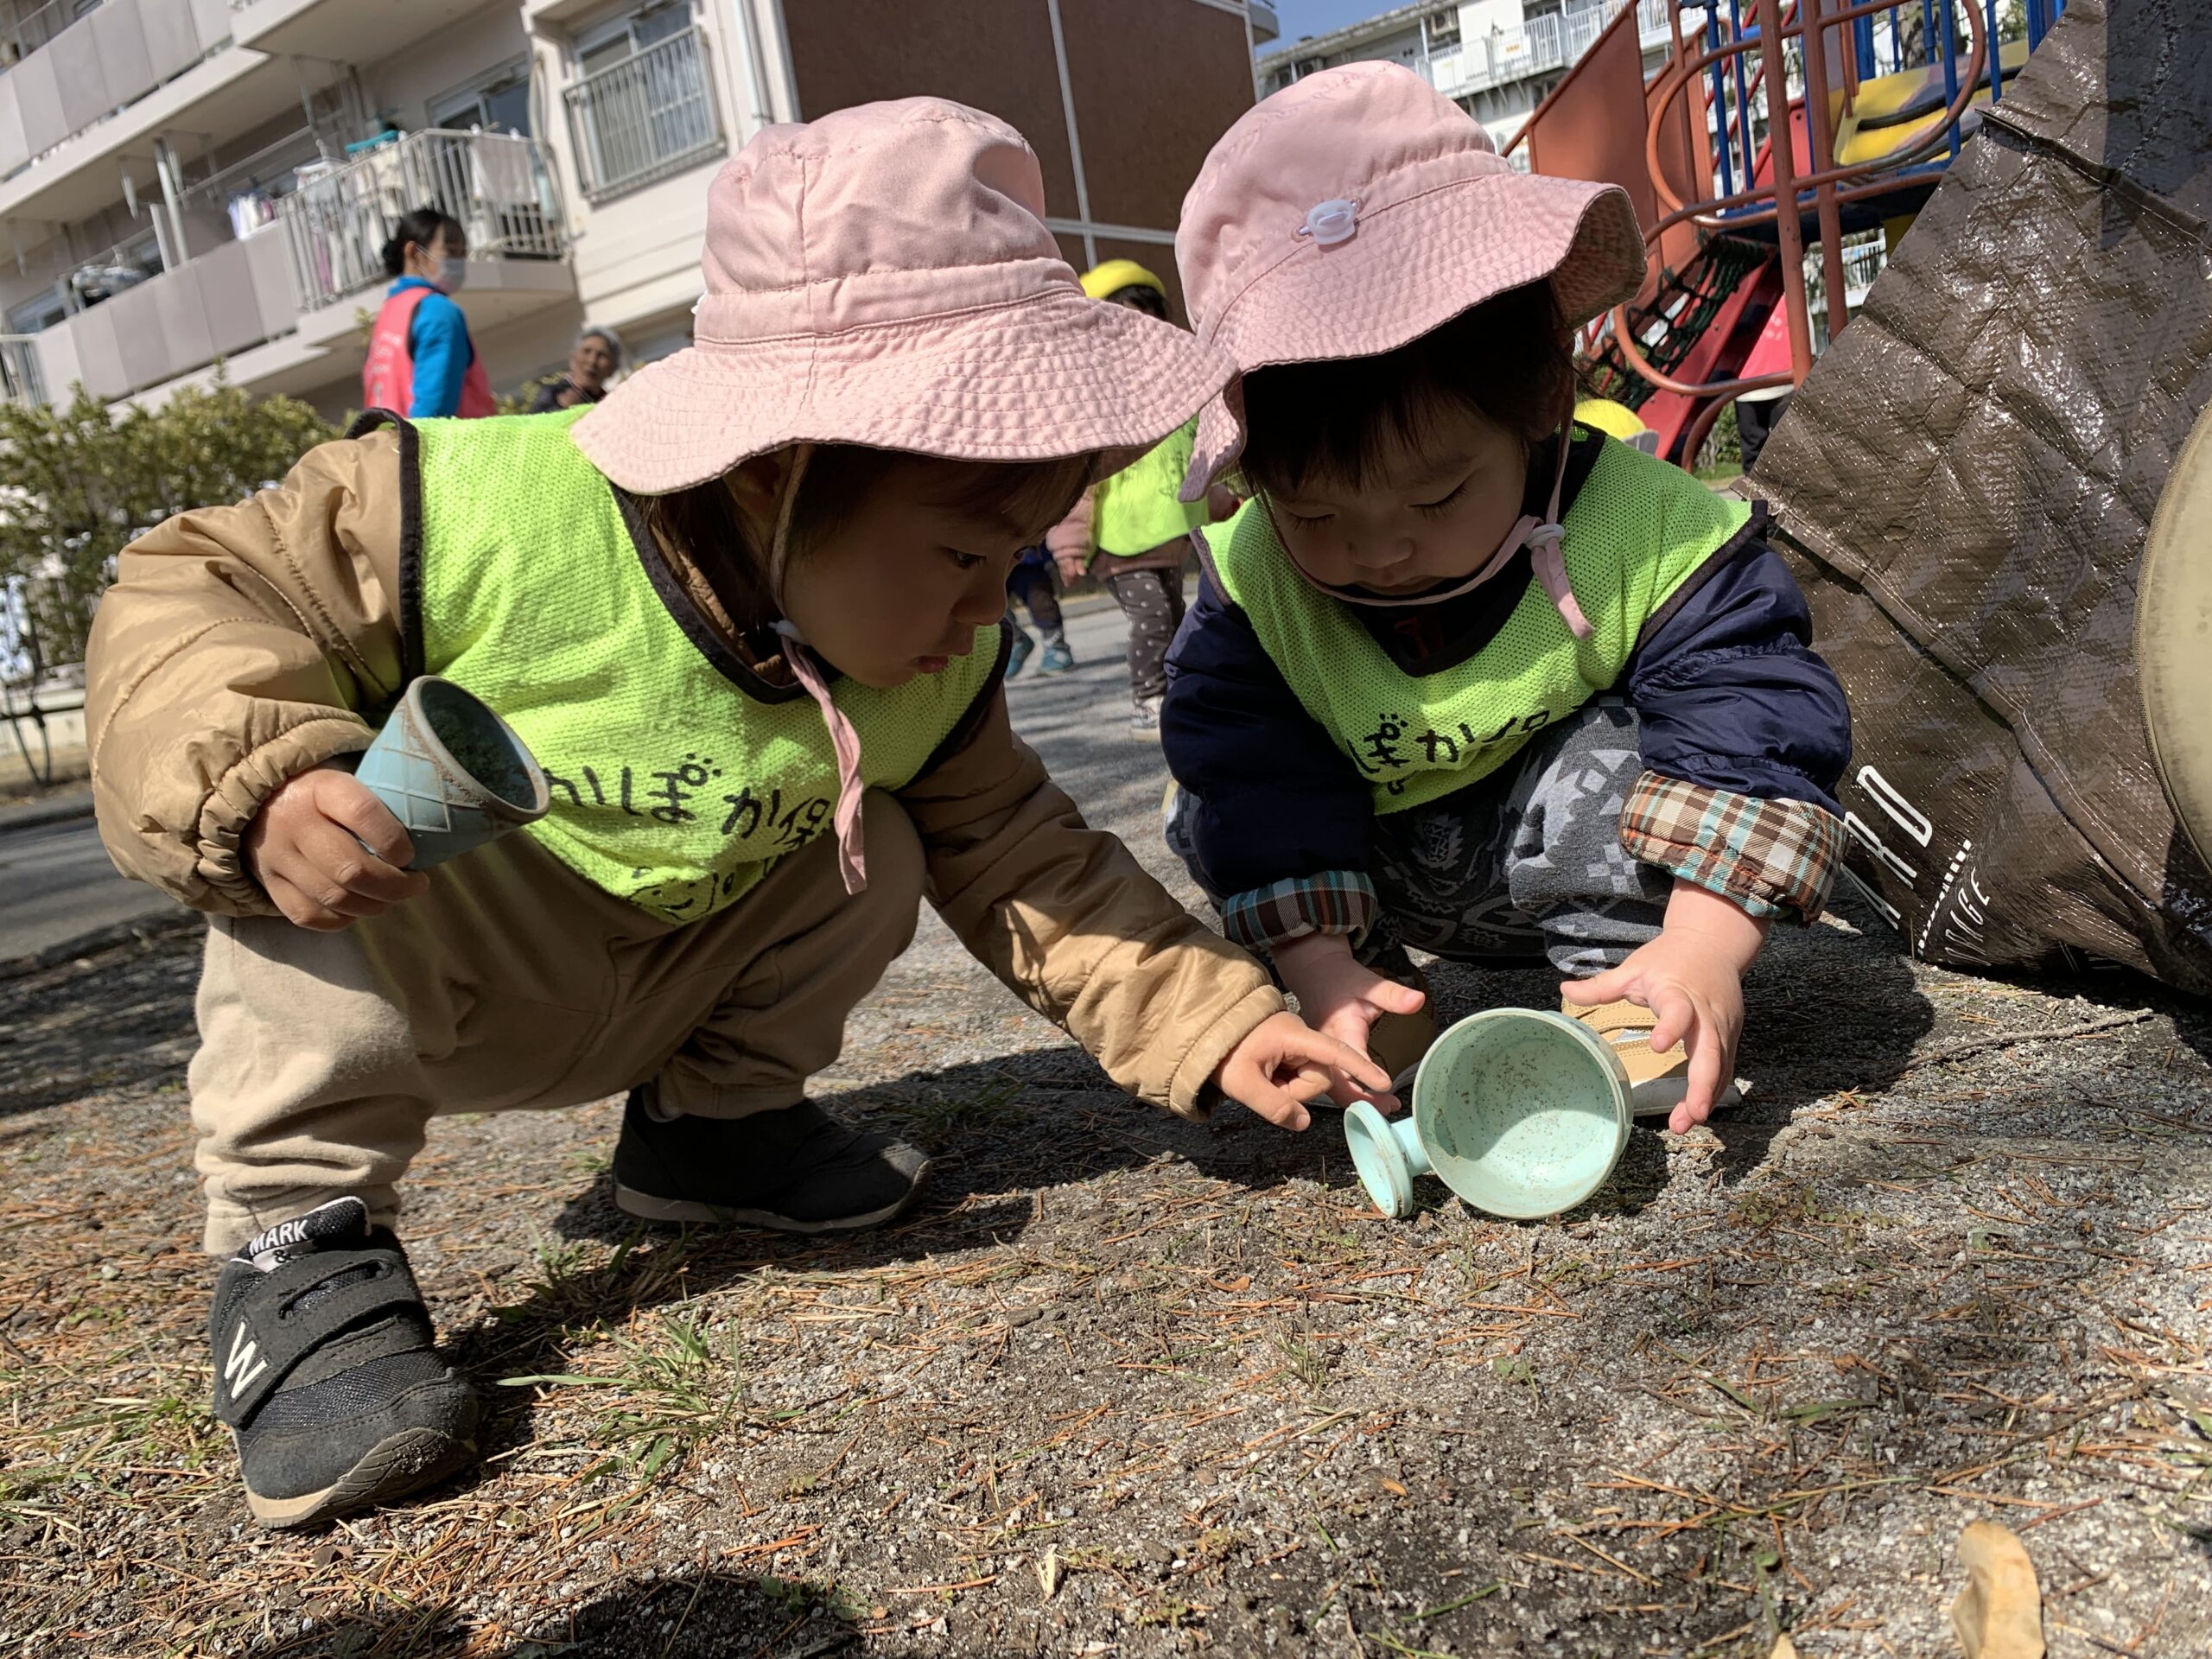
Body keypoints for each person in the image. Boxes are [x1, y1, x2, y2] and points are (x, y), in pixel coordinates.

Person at [85, 101, 1385, 1531]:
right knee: (301, 833)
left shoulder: (925, 671)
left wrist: (1217, 1022)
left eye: (1011, 558)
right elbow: (192, 589)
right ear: (770, 474)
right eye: (961, 555)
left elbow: (1025, 860)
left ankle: (706, 1136)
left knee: (886, 842)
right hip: (432, 948)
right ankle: (296, 1251)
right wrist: (261, 782)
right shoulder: (466, 514)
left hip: (658, 988)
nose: (987, 610)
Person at [1160, 64, 1852, 1128]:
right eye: (1319, 518)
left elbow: (1748, 709)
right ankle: (1376, 1013)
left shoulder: (1640, 525)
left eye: (1437, 496)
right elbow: (1248, 777)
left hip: (1586, 856)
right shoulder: (1253, 586)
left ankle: (1635, 995)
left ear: (1539, 400)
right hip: (1379, 870)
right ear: (1254, 476)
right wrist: (1316, 968)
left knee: (1614, 753)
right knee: (1206, 800)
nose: (1383, 550)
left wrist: (1706, 944)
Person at [1048, 261, 1238, 734]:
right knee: (1153, 616)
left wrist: (1216, 502)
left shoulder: (1179, 401)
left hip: (1170, 538)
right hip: (1119, 542)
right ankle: (1147, 697)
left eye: (1151, 325)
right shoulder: (1096, 407)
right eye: (1125, 329)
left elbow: (1190, 464)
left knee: (1176, 619)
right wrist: (1070, 545)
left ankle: (1175, 695)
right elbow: (1078, 483)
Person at [362, 207, 493, 420]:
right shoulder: (437, 310)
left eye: (462, 254)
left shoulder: (387, 314)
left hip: (389, 446)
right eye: (451, 252)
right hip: (442, 448)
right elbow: (435, 407)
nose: (459, 263)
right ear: (414, 252)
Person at [1002, 543, 1074, 676]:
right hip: (988, 555)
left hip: (1029, 551)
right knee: (987, 605)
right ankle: (1015, 641)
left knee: (1040, 600)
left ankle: (1056, 646)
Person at [528, 325, 625, 412]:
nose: (592, 361)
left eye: (602, 355)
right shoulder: (552, 393)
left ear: (613, 368)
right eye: (586, 351)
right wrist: (561, 408)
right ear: (572, 358)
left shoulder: (612, 405)